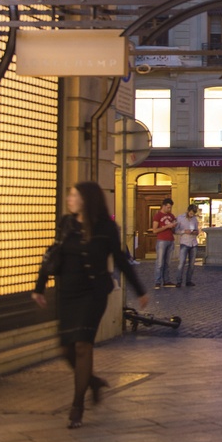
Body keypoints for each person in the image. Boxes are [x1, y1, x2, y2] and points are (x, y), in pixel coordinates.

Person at [33, 182, 147, 429]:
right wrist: (39, 286)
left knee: (83, 346)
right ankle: (93, 382)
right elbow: (53, 254)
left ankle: (77, 407)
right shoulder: (66, 223)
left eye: (74, 195)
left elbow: (119, 259)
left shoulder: (106, 227)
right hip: (67, 293)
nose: (69, 199)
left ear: (87, 199)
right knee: (66, 350)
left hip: (92, 294)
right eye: (70, 194)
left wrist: (139, 290)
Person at [150, 198, 177, 289]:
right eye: (168, 207)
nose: (169, 209)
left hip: (170, 240)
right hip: (161, 240)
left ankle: (166, 280)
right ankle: (157, 281)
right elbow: (155, 230)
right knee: (160, 262)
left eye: (170, 208)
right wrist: (167, 226)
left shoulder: (171, 215)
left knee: (167, 262)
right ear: (164, 206)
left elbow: (173, 229)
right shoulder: (158, 216)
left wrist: (173, 226)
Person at [174, 204, 201, 286]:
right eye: (191, 213)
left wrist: (196, 232)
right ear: (188, 211)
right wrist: (184, 231)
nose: (191, 215)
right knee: (181, 263)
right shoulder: (180, 218)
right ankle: (179, 281)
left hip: (193, 243)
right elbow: (176, 230)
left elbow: (197, 230)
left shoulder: (195, 219)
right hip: (184, 243)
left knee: (191, 264)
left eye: (193, 214)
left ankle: (188, 280)